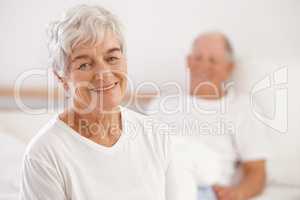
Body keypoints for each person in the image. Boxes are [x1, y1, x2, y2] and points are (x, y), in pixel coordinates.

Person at [19, 5, 179, 200]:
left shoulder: (156, 136)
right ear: (62, 78)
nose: (103, 73)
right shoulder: (44, 155)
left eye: (111, 58)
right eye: (84, 64)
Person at [146, 32, 269, 200]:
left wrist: (235, 194)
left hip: (204, 189)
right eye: (198, 58)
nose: (204, 66)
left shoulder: (241, 108)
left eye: (213, 60)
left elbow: (256, 171)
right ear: (188, 62)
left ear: (229, 67)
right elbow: (143, 152)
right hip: (157, 183)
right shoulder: (161, 104)